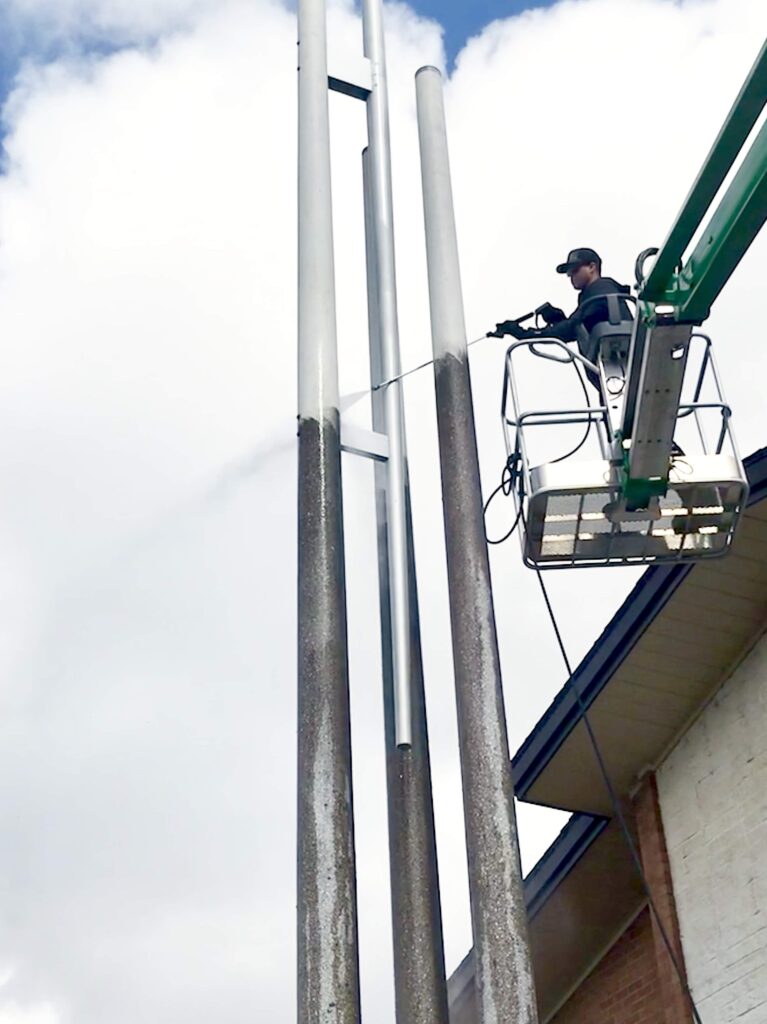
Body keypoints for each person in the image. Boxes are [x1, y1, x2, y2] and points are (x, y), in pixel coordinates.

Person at [489, 248, 633, 376]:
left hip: (619, 368)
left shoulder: (600, 288)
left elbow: (575, 326)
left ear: (591, 267)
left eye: (574, 270)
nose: (571, 276)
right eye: (569, 273)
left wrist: (526, 333)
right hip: (616, 375)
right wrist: (559, 321)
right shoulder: (594, 296)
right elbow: (582, 323)